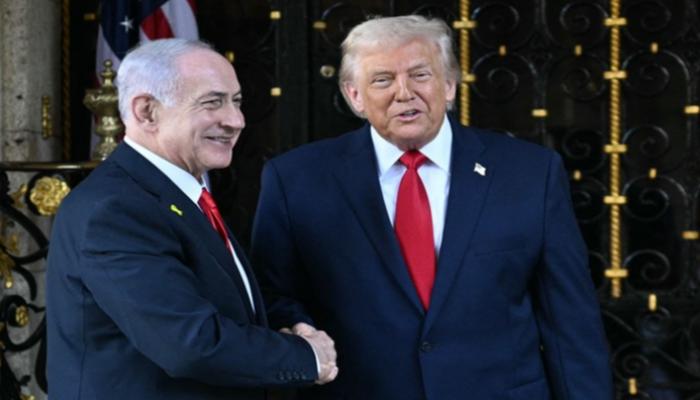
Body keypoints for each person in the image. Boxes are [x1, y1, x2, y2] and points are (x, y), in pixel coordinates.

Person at [251, 15, 613, 399]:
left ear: (449, 84)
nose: (404, 93)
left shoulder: (529, 173)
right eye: (382, 80)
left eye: (420, 75)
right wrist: (302, 334)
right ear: (354, 95)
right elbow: (271, 297)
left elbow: (569, 320)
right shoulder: (296, 180)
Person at [46, 38, 337, 400]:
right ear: (147, 112)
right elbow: (188, 343)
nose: (236, 121)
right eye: (212, 102)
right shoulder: (116, 209)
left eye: (237, 102)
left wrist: (288, 326)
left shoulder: (176, 194)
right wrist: (307, 356)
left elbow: (223, 305)